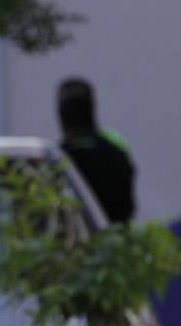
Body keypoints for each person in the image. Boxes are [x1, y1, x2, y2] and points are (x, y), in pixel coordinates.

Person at [57, 77, 137, 224]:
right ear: (93, 109)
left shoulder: (57, 159)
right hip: (118, 240)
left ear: (61, 117)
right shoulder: (115, 148)